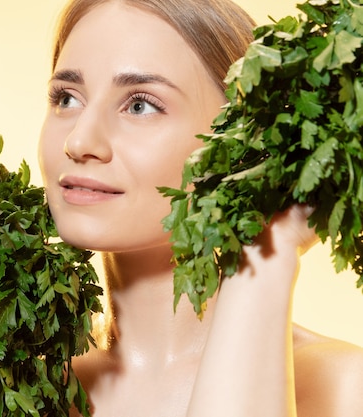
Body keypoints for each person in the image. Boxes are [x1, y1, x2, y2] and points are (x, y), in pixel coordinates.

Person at [37, 0, 363, 416]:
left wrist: (270, 250)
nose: (80, 142)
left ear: (240, 142)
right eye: (66, 98)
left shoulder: (341, 387)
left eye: (140, 105)